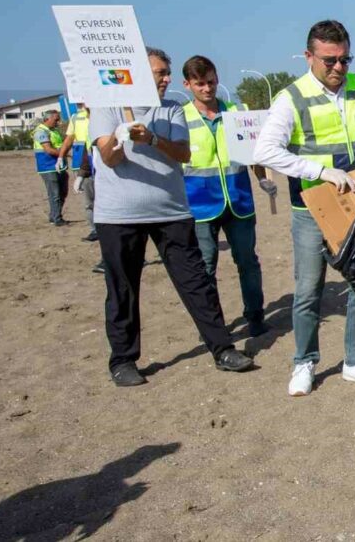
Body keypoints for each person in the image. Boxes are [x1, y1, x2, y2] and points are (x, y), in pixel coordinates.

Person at [255, 20, 355, 396]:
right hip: (312, 208)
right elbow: (266, 151)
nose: (339, 67)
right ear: (309, 56)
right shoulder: (292, 98)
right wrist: (321, 172)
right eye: (330, 60)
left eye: (345, 59)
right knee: (309, 289)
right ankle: (304, 362)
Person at [90, 47, 254, 387]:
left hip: (171, 212)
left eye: (167, 72)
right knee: (123, 288)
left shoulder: (172, 109)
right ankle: (123, 360)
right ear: (137, 73)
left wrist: (152, 138)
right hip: (119, 216)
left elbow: (183, 152)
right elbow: (108, 158)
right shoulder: (106, 107)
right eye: (160, 73)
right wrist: (120, 136)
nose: (166, 79)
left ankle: (222, 349)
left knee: (196, 282)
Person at [179, 55, 271, 338]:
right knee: (205, 267)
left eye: (211, 82)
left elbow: (252, 153)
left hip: (239, 200)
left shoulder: (237, 112)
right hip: (199, 205)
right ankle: (212, 325)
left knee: (247, 262)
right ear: (187, 85)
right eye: (200, 84)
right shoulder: (181, 117)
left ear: (217, 79)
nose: (207, 88)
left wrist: (262, 178)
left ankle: (255, 315)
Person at [58, 104, 97, 240]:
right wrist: (61, 156)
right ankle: (95, 230)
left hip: (102, 164)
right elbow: (69, 139)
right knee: (89, 201)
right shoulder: (76, 118)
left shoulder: (104, 114)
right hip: (85, 165)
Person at [33, 109, 68, 226]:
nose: (58, 122)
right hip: (47, 166)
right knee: (54, 194)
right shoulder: (41, 131)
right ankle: (56, 218)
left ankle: (54, 215)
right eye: (56, 120)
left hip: (59, 166)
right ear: (48, 119)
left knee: (62, 192)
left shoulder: (54, 131)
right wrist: (65, 154)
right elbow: (48, 149)